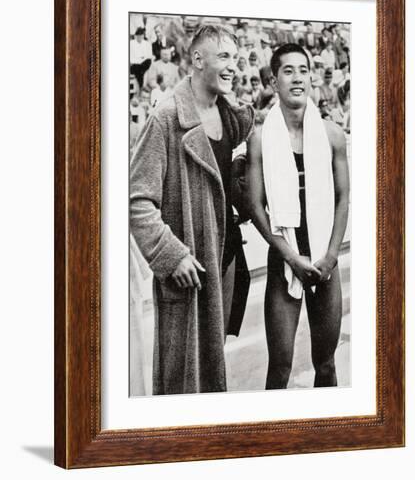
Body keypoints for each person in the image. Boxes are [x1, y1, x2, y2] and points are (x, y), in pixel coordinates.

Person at [130, 24, 255, 395]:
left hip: (226, 258)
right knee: (181, 377)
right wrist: (171, 255)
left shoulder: (233, 118)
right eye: (224, 57)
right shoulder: (166, 117)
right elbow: (138, 200)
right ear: (198, 59)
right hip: (188, 267)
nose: (234, 66)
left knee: (213, 365)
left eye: (237, 57)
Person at [246, 43, 349, 389]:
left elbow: (343, 196)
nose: (297, 78)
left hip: (324, 261)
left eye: (303, 70)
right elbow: (255, 204)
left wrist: (331, 256)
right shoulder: (260, 138)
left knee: (327, 365)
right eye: (287, 70)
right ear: (274, 81)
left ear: (311, 77)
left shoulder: (332, 135)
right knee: (280, 367)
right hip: (284, 258)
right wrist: (291, 257)